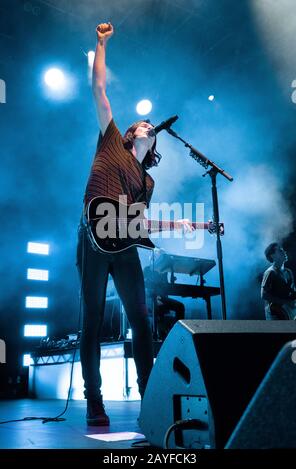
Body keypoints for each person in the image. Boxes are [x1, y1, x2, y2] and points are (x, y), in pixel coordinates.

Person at [77, 22, 191, 426]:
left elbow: (140, 223)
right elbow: (98, 90)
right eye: (142, 123)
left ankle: (150, 399)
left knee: (142, 323)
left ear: (155, 143)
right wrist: (101, 45)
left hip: (123, 244)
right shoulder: (111, 140)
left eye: (151, 127)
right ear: (131, 133)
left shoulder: (148, 180)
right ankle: (94, 400)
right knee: (91, 320)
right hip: (93, 237)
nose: (148, 124)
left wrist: (187, 225)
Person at [261, 242, 296, 320]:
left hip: (287, 312)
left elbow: (293, 292)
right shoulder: (270, 272)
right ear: (272, 255)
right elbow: (264, 295)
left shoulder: (288, 272)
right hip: (275, 314)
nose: (284, 252)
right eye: (280, 250)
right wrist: (286, 302)